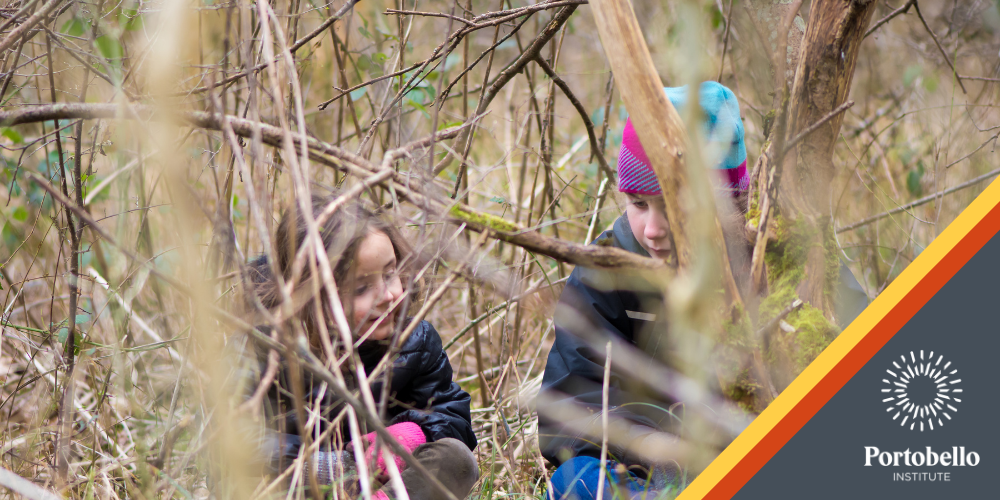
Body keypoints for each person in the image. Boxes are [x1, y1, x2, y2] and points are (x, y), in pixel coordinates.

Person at [538, 82, 868, 500]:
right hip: (639, 469)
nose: (653, 230)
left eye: (675, 208)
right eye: (639, 204)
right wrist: (658, 453)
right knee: (577, 482)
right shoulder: (606, 270)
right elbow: (571, 410)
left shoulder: (781, 254)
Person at [247, 195, 479, 500]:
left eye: (390, 273)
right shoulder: (266, 344)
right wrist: (338, 468)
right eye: (361, 288)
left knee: (455, 459)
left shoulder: (416, 341)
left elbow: (453, 415)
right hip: (298, 484)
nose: (388, 295)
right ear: (311, 296)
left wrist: (413, 434)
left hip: (381, 487)